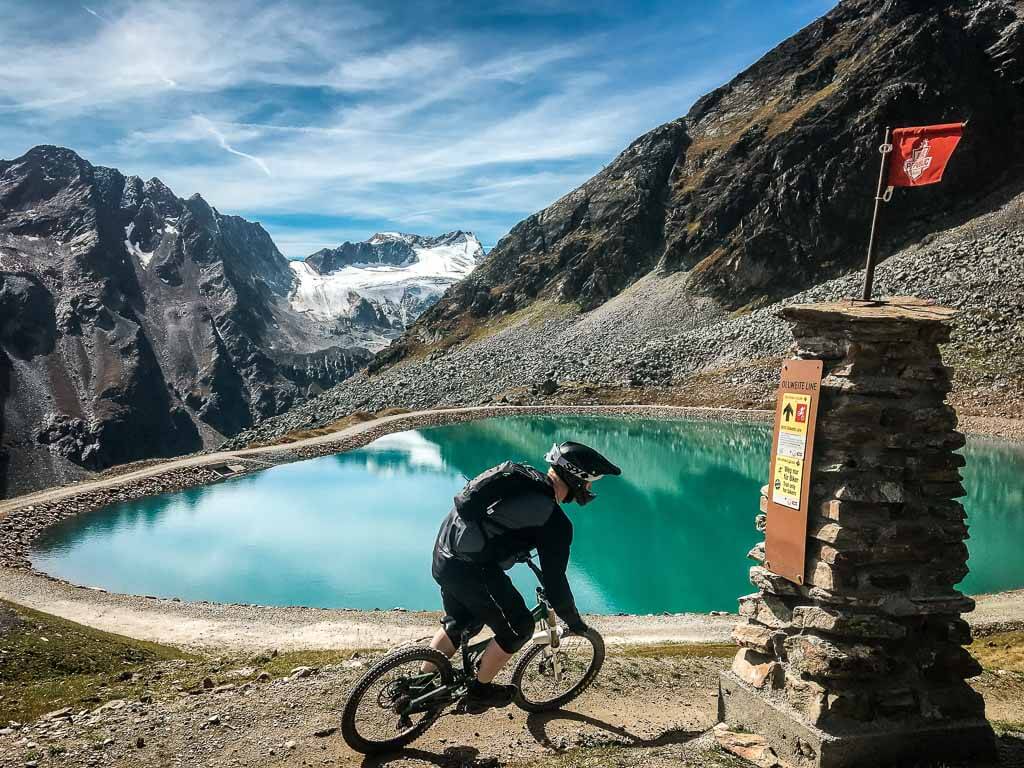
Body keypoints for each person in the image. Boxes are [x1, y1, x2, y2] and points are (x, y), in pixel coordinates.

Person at [426, 440, 621, 707]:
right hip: (468, 568)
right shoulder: (555, 522)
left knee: (461, 622)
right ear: (576, 478)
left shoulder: (524, 480)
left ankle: (419, 685)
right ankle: (479, 692)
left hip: (444, 551)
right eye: (588, 483)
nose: (588, 489)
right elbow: (555, 582)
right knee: (518, 628)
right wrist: (573, 620)